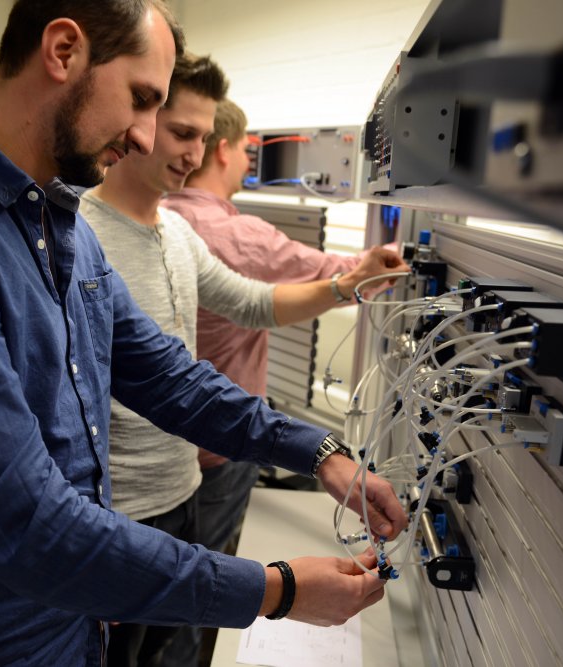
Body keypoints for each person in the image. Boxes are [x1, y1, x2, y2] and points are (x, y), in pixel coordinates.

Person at [0, 2, 408, 665]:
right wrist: (274, 590)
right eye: (142, 100)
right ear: (62, 51)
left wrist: (319, 450)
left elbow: (172, 379)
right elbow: (22, 521)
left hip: (81, 617)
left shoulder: (65, 229)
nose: (146, 138)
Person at [79, 52, 407, 666]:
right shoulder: (81, 234)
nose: (195, 154)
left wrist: (348, 282)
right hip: (116, 511)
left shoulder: (179, 234)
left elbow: (252, 303)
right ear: (139, 122)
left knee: (172, 651)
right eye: (182, 133)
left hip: (182, 493)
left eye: (205, 137)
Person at [163, 99, 394, 658]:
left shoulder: (167, 221)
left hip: (172, 448)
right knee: (201, 593)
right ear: (222, 149)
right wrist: (384, 263)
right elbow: (331, 273)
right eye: (246, 151)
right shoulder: (240, 235)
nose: (249, 164)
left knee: (171, 588)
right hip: (221, 449)